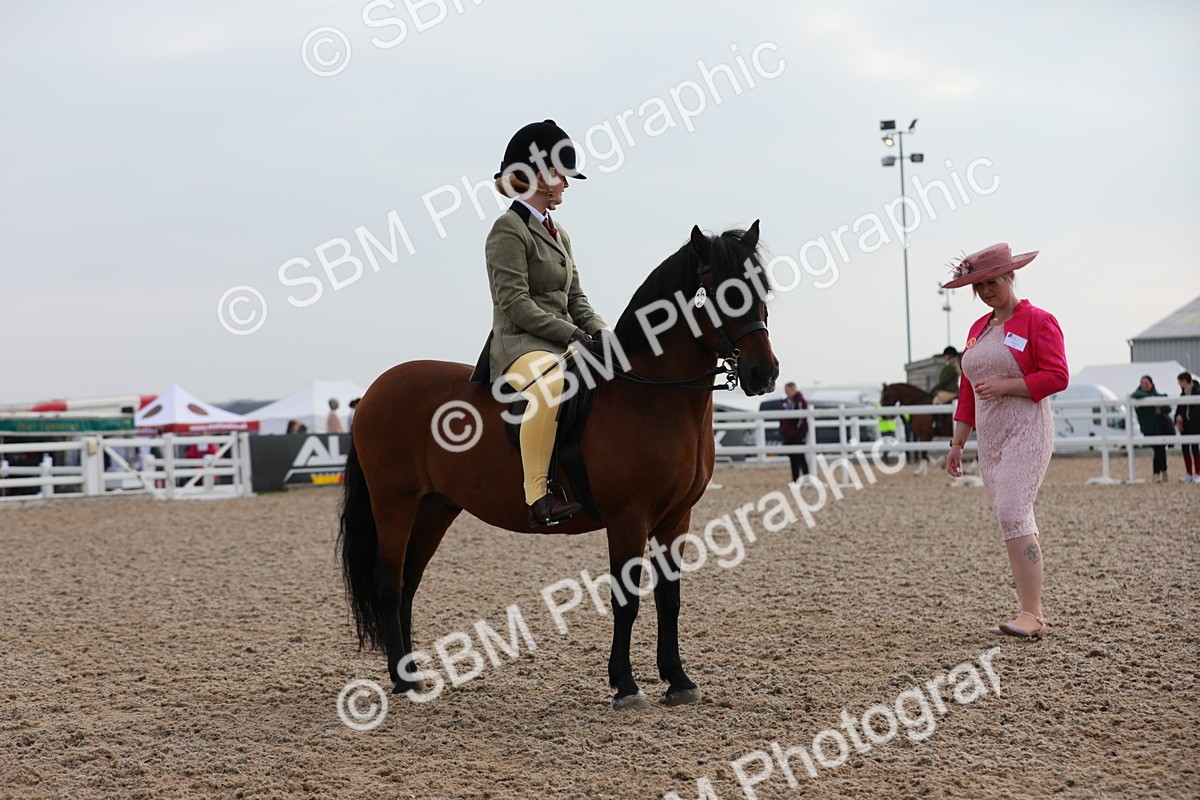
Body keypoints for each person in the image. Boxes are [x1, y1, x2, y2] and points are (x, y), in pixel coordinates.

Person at [468, 120, 608, 527]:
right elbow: (515, 303)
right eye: (562, 175)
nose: (566, 184)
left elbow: (576, 298)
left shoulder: (559, 232)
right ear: (541, 176)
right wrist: (573, 334)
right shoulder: (507, 229)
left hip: (565, 341)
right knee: (551, 388)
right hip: (521, 346)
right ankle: (539, 497)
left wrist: (603, 334)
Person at [943, 243, 1068, 639]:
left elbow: (1057, 375)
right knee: (1009, 517)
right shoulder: (978, 330)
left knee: (1014, 510)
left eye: (991, 282)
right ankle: (1028, 611)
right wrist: (958, 442)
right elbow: (968, 391)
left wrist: (1008, 385)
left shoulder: (1038, 320)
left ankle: (1033, 614)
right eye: (977, 286)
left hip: (1027, 428)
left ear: (1010, 276)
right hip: (991, 439)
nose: (985, 291)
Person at [1131, 375, 1169, 482]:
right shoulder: (1139, 395)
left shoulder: (1157, 394)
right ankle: (1161, 472)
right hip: (1149, 427)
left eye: (1146, 383)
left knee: (1160, 449)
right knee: (1158, 449)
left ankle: (1159, 473)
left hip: (1160, 426)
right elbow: (1135, 394)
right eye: (1142, 383)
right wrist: (1153, 400)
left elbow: (1168, 407)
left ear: (1151, 384)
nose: (1144, 385)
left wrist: (1159, 402)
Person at [778, 382, 810, 482]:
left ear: (793, 389)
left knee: (800, 457)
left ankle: (806, 478)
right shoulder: (787, 402)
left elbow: (802, 417)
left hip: (797, 434)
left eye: (787, 390)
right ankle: (795, 478)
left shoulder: (799, 401)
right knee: (792, 457)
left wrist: (798, 430)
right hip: (788, 434)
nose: (786, 392)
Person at [1176, 371, 1200, 483]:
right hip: (1185, 426)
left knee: (1195, 449)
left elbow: (1197, 411)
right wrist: (1178, 417)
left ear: (1184, 381)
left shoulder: (1197, 392)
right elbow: (1179, 409)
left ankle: (1198, 473)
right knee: (1185, 448)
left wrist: (1186, 416)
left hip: (1195, 425)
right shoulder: (1182, 394)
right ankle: (1189, 473)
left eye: (1180, 382)